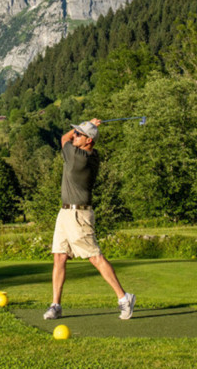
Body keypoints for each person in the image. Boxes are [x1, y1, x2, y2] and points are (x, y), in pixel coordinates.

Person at [43, 118, 136, 321]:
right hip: (65, 214)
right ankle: (56, 304)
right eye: (75, 133)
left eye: (79, 134)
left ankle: (124, 298)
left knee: (95, 257)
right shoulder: (93, 154)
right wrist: (87, 128)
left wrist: (88, 123)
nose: (74, 136)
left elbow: (62, 139)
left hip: (78, 215)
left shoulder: (78, 157)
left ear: (88, 141)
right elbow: (72, 138)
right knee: (59, 257)